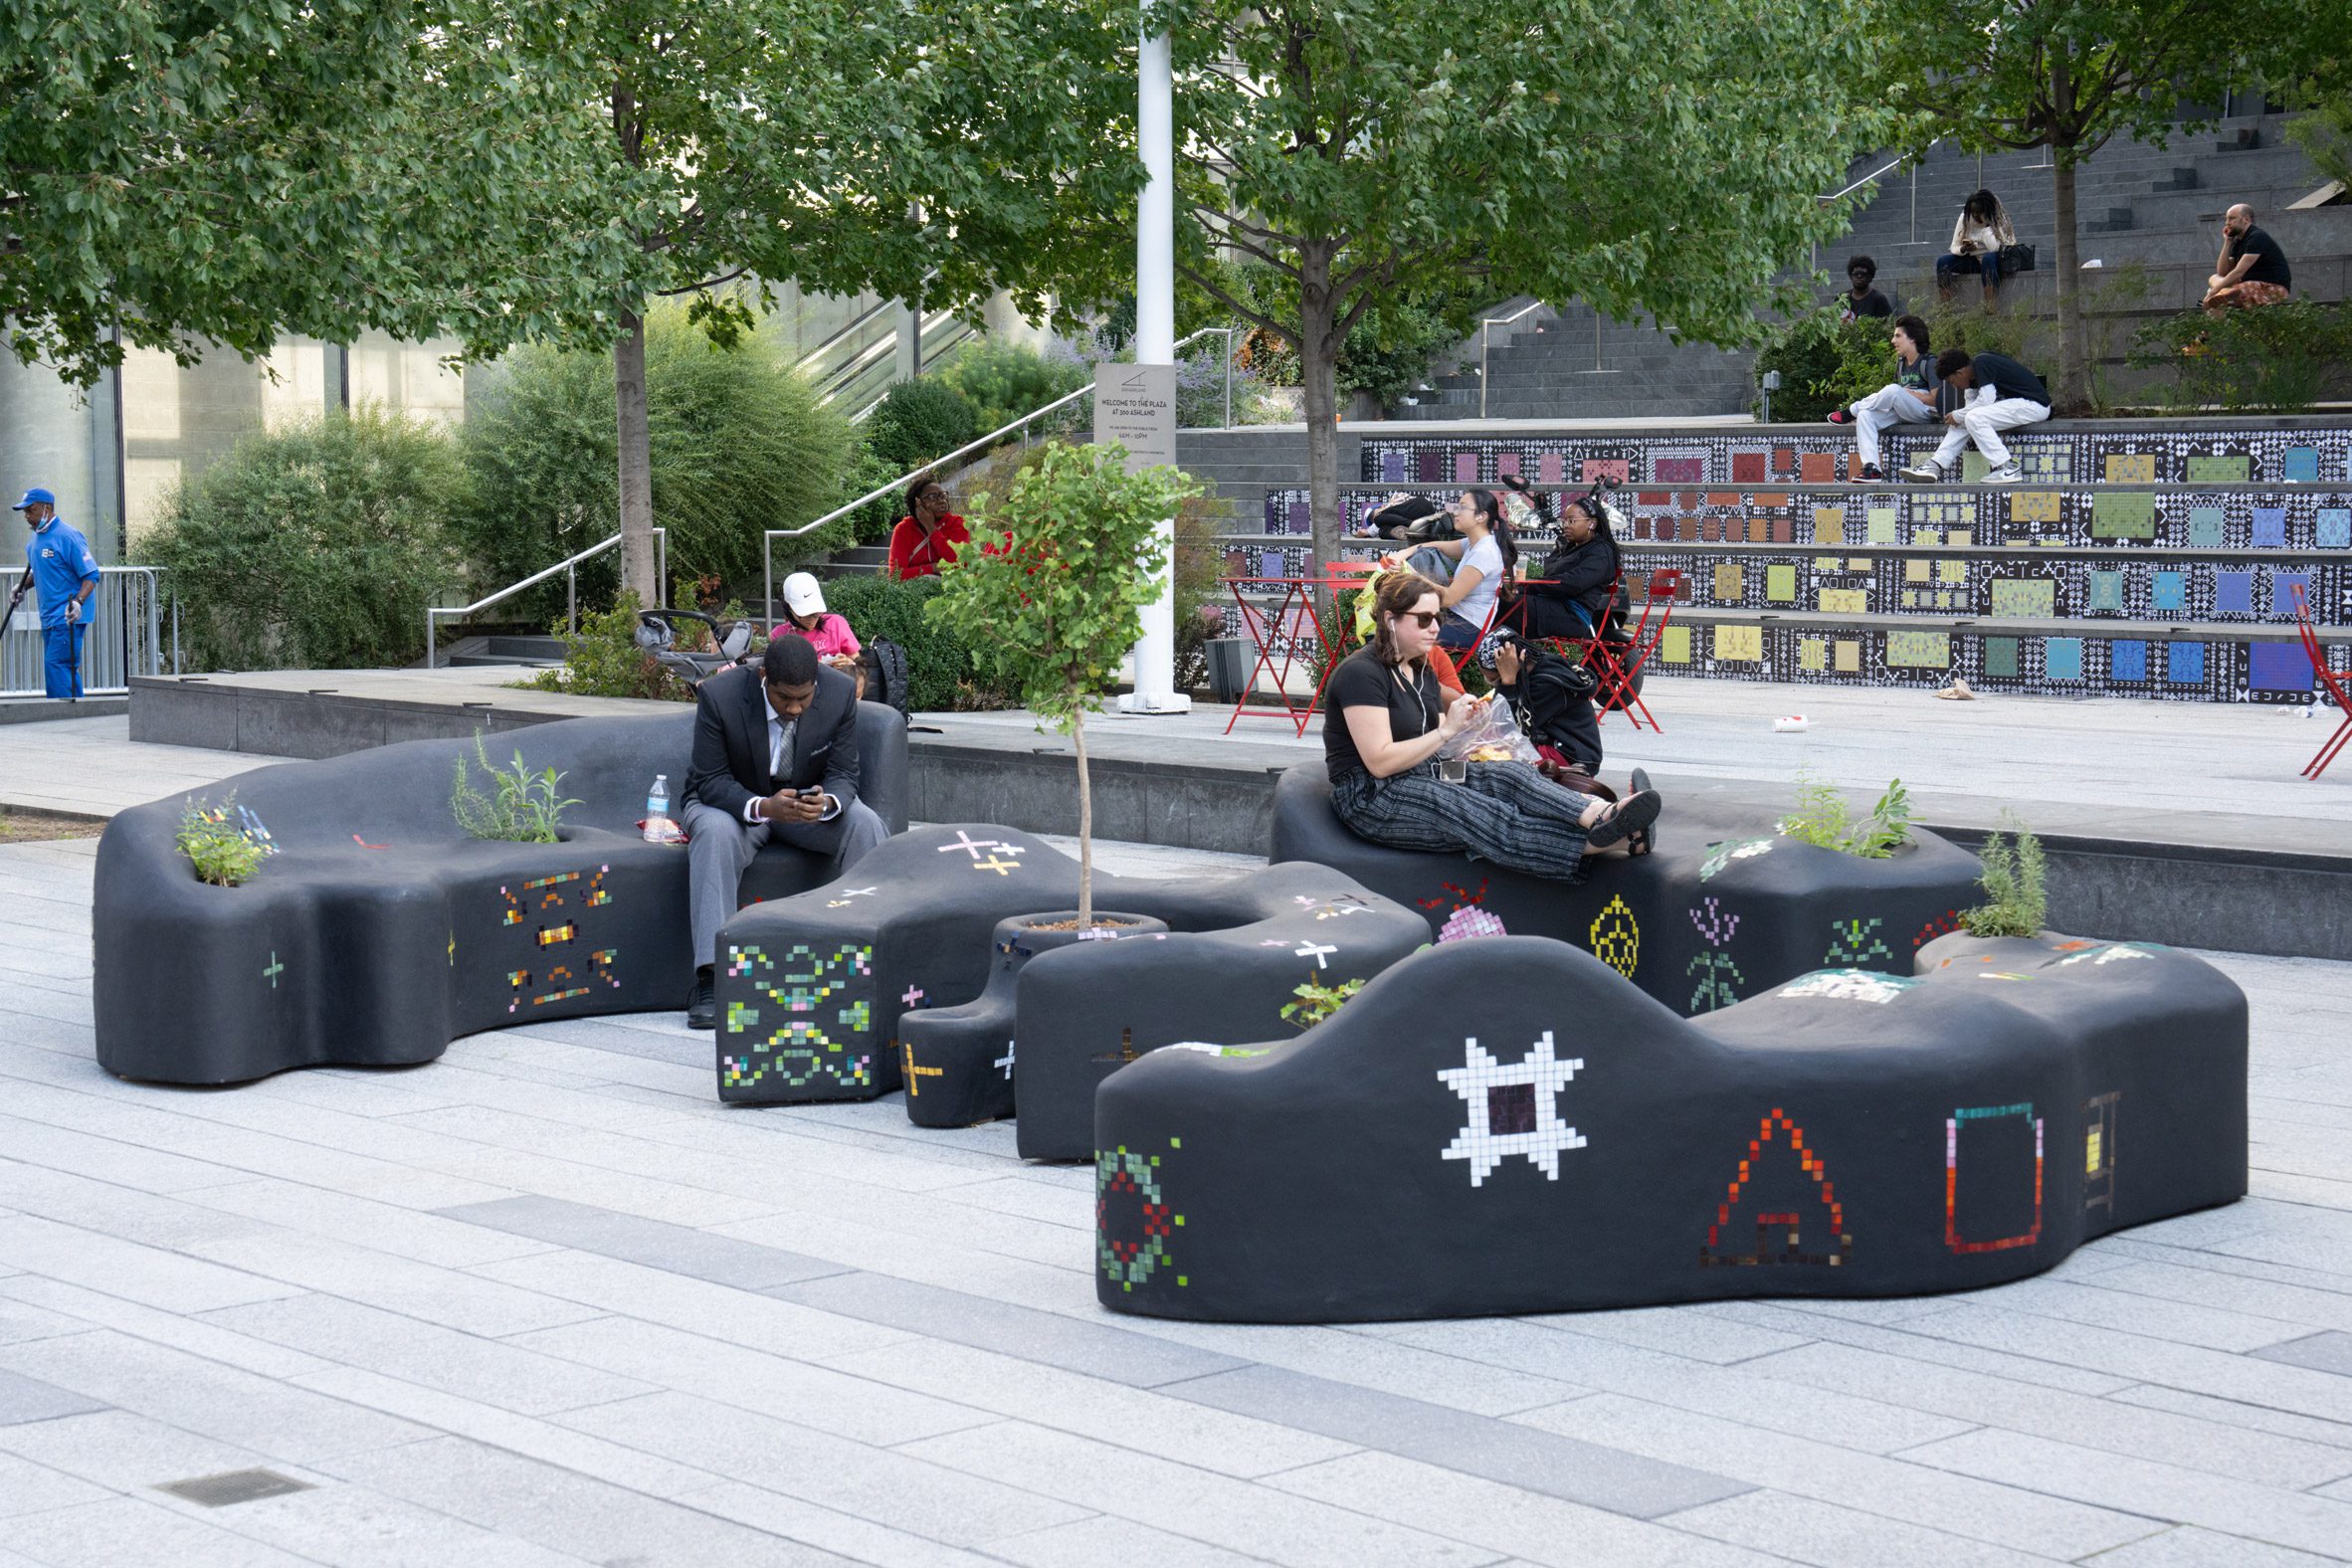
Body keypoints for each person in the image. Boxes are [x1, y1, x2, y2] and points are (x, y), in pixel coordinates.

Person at [1322, 572, 1659, 881]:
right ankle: (1612, 842)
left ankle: (1600, 813)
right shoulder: (1360, 674)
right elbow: (1379, 762)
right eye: (1424, 619)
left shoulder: (1420, 668)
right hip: (1372, 795)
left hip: (1424, 771)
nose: (1435, 628)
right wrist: (1446, 731)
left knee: (1511, 774)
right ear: (1389, 619)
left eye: (1438, 618)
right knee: (1478, 810)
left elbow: (1422, 723)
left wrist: (1469, 720)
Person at [680, 637, 889, 1028]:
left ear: (817, 686)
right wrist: (762, 807)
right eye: (783, 698)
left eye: (803, 699)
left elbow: (845, 774)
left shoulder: (840, 691)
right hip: (735, 806)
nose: (794, 708)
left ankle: (875, 962)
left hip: (804, 809)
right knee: (714, 833)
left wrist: (826, 804)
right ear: (763, 678)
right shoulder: (719, 695)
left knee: (865, 823)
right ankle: (711, 977)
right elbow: (709, 780)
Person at [1492, 477, 1621, 644]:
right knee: (1499, 598)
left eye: (1571, 521)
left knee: (1506, 603)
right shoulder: (1571, 547)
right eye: (1564, 521)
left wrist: (1528, 587)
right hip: (1552, 605)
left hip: (1572, 616)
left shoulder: (1602, 551)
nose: (1566, 525)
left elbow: (1572, 583)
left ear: (1592, 524)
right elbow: (1551, 573)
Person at [1898, 348, 2051, 486]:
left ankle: (2008, 467)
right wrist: (1958, 418)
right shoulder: (1971, 382)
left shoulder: (1981, 363)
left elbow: (1986, 400)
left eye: (1952, 381)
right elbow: (1968, 414)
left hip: (2035, 405)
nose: (1955, 387)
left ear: (1960, 373)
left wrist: (1958, 415)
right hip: (2018, 406)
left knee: (1972, 417)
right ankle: (1934, 465)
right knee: (1965, 420)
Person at [1389, 489, 1513, 653]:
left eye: (1463, 507)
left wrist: (1411, 575)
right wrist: (1405, 553)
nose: (1456, 513)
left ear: (1481, 516)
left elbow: (1448, 598)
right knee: (1392, 626)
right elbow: (1437, 545)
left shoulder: (1484, 552)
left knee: (1398, 634)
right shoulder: (1474, 543)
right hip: (1453, 618)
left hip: (1467, 627)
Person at [5, 488, 100, 701]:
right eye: (25, 512)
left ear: (46, 509)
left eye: (31, 510)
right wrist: (21, 588)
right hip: (48, 616)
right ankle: (79, 713)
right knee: (65, 667)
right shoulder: (35, 540)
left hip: (67, 615)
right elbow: (41, 571)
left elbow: (91, 574)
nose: (27, 517)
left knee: (56, 664)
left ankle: (61, 717)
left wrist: (78, 602)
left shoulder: (68, 536)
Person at [1831, 315, 1940, 483]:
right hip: (1904, 410)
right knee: (1866, 416)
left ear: (1913, 339)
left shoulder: (1930, 362)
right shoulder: (1902, 362)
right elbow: (1896, 397)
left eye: (1897, 336)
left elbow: (1936, 399)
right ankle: (1872, 469)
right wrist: (1904, 394)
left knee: (1893, 390)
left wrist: (1912, 394)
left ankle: (1851, 410)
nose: (1892, 340)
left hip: (1926, 413)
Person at [773, 571, 864, 696]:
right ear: (789, 608)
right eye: (805, 614)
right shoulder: (780, 635)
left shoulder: (835, 623)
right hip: (801, 696)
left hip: (838, 690)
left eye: (816, 613)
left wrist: (850, 664)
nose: (812, 619)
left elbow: (858, 662)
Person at [2204, 205, 2291, 312]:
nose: (2227, 222)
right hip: (2246, 287)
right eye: (2226, 219)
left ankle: (2225, 293)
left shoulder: (2257, 237)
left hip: (2273, 288)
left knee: (2232, 292)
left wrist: (2214, 291)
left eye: (2232, 218)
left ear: (2246, 219)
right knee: (2214, 278)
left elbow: (2239, 271)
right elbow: (2222, 271)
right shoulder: (2238, 241)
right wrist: (2227, 242)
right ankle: (2223, 298)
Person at [1935, 190, 2016, 304]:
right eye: (1973, 212)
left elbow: (1996, 248)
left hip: (1996, 261)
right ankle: (1945, 306)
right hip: (1974, 260)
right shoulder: (1965, 218)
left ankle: (1990, 306)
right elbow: (1954, 246)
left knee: (1988, 258)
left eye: (1979, 212)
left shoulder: (1998, 217)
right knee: (1943, 261)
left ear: (1987, 210)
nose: (1975, 215)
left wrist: (1986, 228)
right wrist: (1964, 249)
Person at [885, 479, 970, 580]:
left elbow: (960, 562)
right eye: (933, 497)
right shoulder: (904, 529)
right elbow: (895, 576)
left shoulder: (957, 523)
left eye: (943, 495)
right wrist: (933, 568)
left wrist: (930, 527)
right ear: (918, 503)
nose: (941, 501)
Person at [1838, 256, 1893, 321]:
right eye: (1856, 274)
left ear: (1870, 277)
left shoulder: (1879, 299)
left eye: (1863, 274)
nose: (1859, 276)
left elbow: (1889, 323)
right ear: (1851, 276)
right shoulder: (1841, 298)